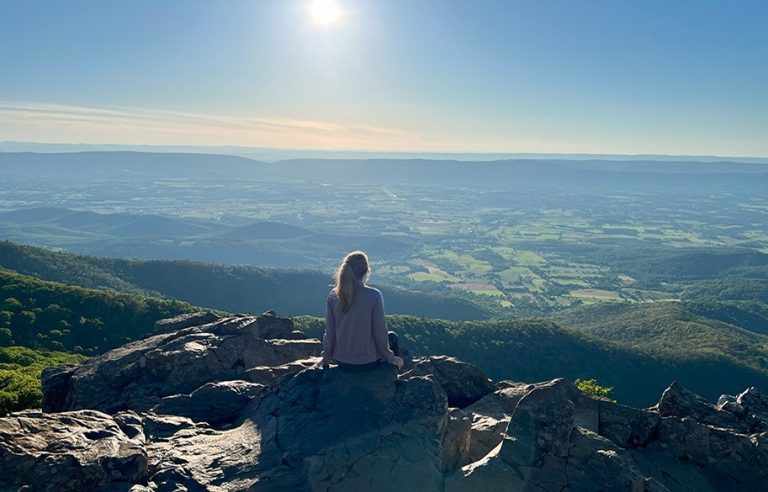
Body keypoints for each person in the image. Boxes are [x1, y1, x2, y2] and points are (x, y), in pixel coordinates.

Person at [318, 251, 404, 371]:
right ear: (366, 271)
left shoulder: (334, 296)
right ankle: (390, 378)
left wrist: (325, 359)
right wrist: (391, 358)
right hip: (369, 362)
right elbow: (380, 333)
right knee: (392, 337)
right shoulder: (374, 296)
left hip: (342, 362)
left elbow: (330, 333)